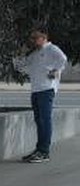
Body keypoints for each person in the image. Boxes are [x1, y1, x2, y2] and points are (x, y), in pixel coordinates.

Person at [11, 27, 68, 163]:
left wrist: (55, 71)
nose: (34, 41)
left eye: (36, 38)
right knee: (39, 121)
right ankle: (39, 150)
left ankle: (44, 152)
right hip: (35, 90)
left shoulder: (51, 49)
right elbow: (20, 65)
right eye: (32, 38)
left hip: (46, 90)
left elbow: (63, 59)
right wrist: (18, 55)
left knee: (44, 120)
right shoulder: (35, 53)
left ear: (44, 37)